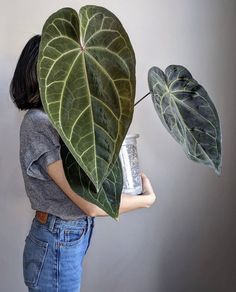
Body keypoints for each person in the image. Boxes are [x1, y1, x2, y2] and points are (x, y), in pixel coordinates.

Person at [10, 34, 156, 292]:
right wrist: (145, 200)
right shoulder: (37, 123)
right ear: (40, 73)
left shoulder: (59, 123)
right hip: (58, 237)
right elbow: (88, 204)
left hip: (68, 235)